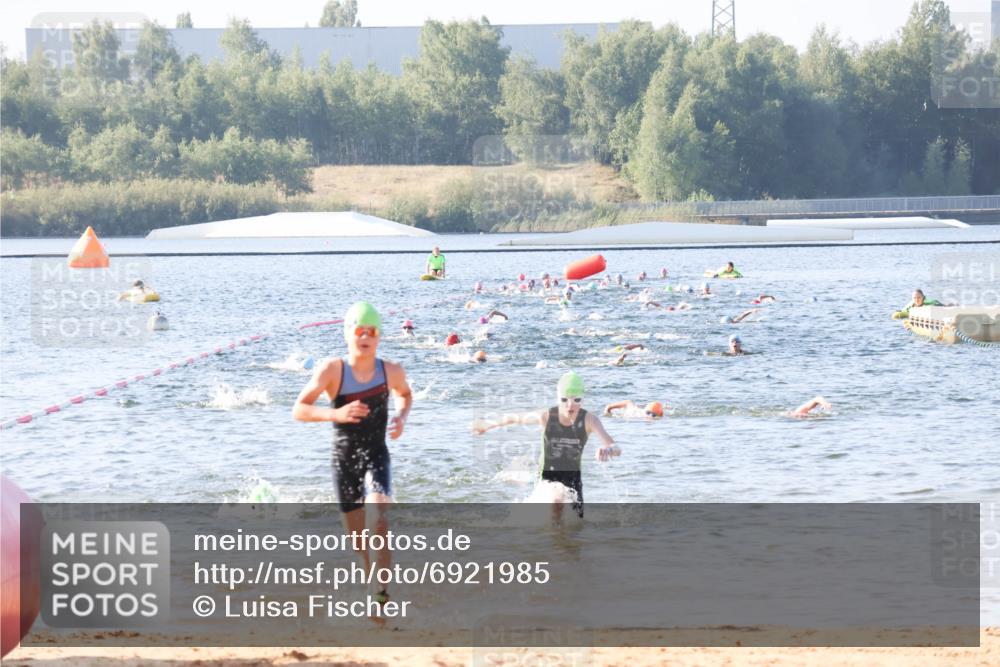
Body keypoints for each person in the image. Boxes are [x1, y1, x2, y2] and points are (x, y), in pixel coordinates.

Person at [292, 302, 412, 616]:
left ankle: (382, 596)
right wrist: (336, 413)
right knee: (359, 544)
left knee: (380, 519)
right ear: (348, 334)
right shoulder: (333, 370)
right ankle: (371, 582)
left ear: (379, 337)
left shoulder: (391, 371)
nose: (365, 336)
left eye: (371, 331)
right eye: (359, 330)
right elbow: (299, 409)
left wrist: (401, 417)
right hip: (344, 460)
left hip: (376, 455)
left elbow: (406, 394)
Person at [472, 372, 619, 518]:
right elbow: (514, 418)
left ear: (582, 399)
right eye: (564, 400)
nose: (570, 405)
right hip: (548, 476)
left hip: (573, 478)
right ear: (558, 398)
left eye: (576, 399)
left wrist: (608, 449)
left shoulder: (589, 420)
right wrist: (486, 425)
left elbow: (616, 448)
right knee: (556, 501)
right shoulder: (547, 417)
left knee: (575, 527)